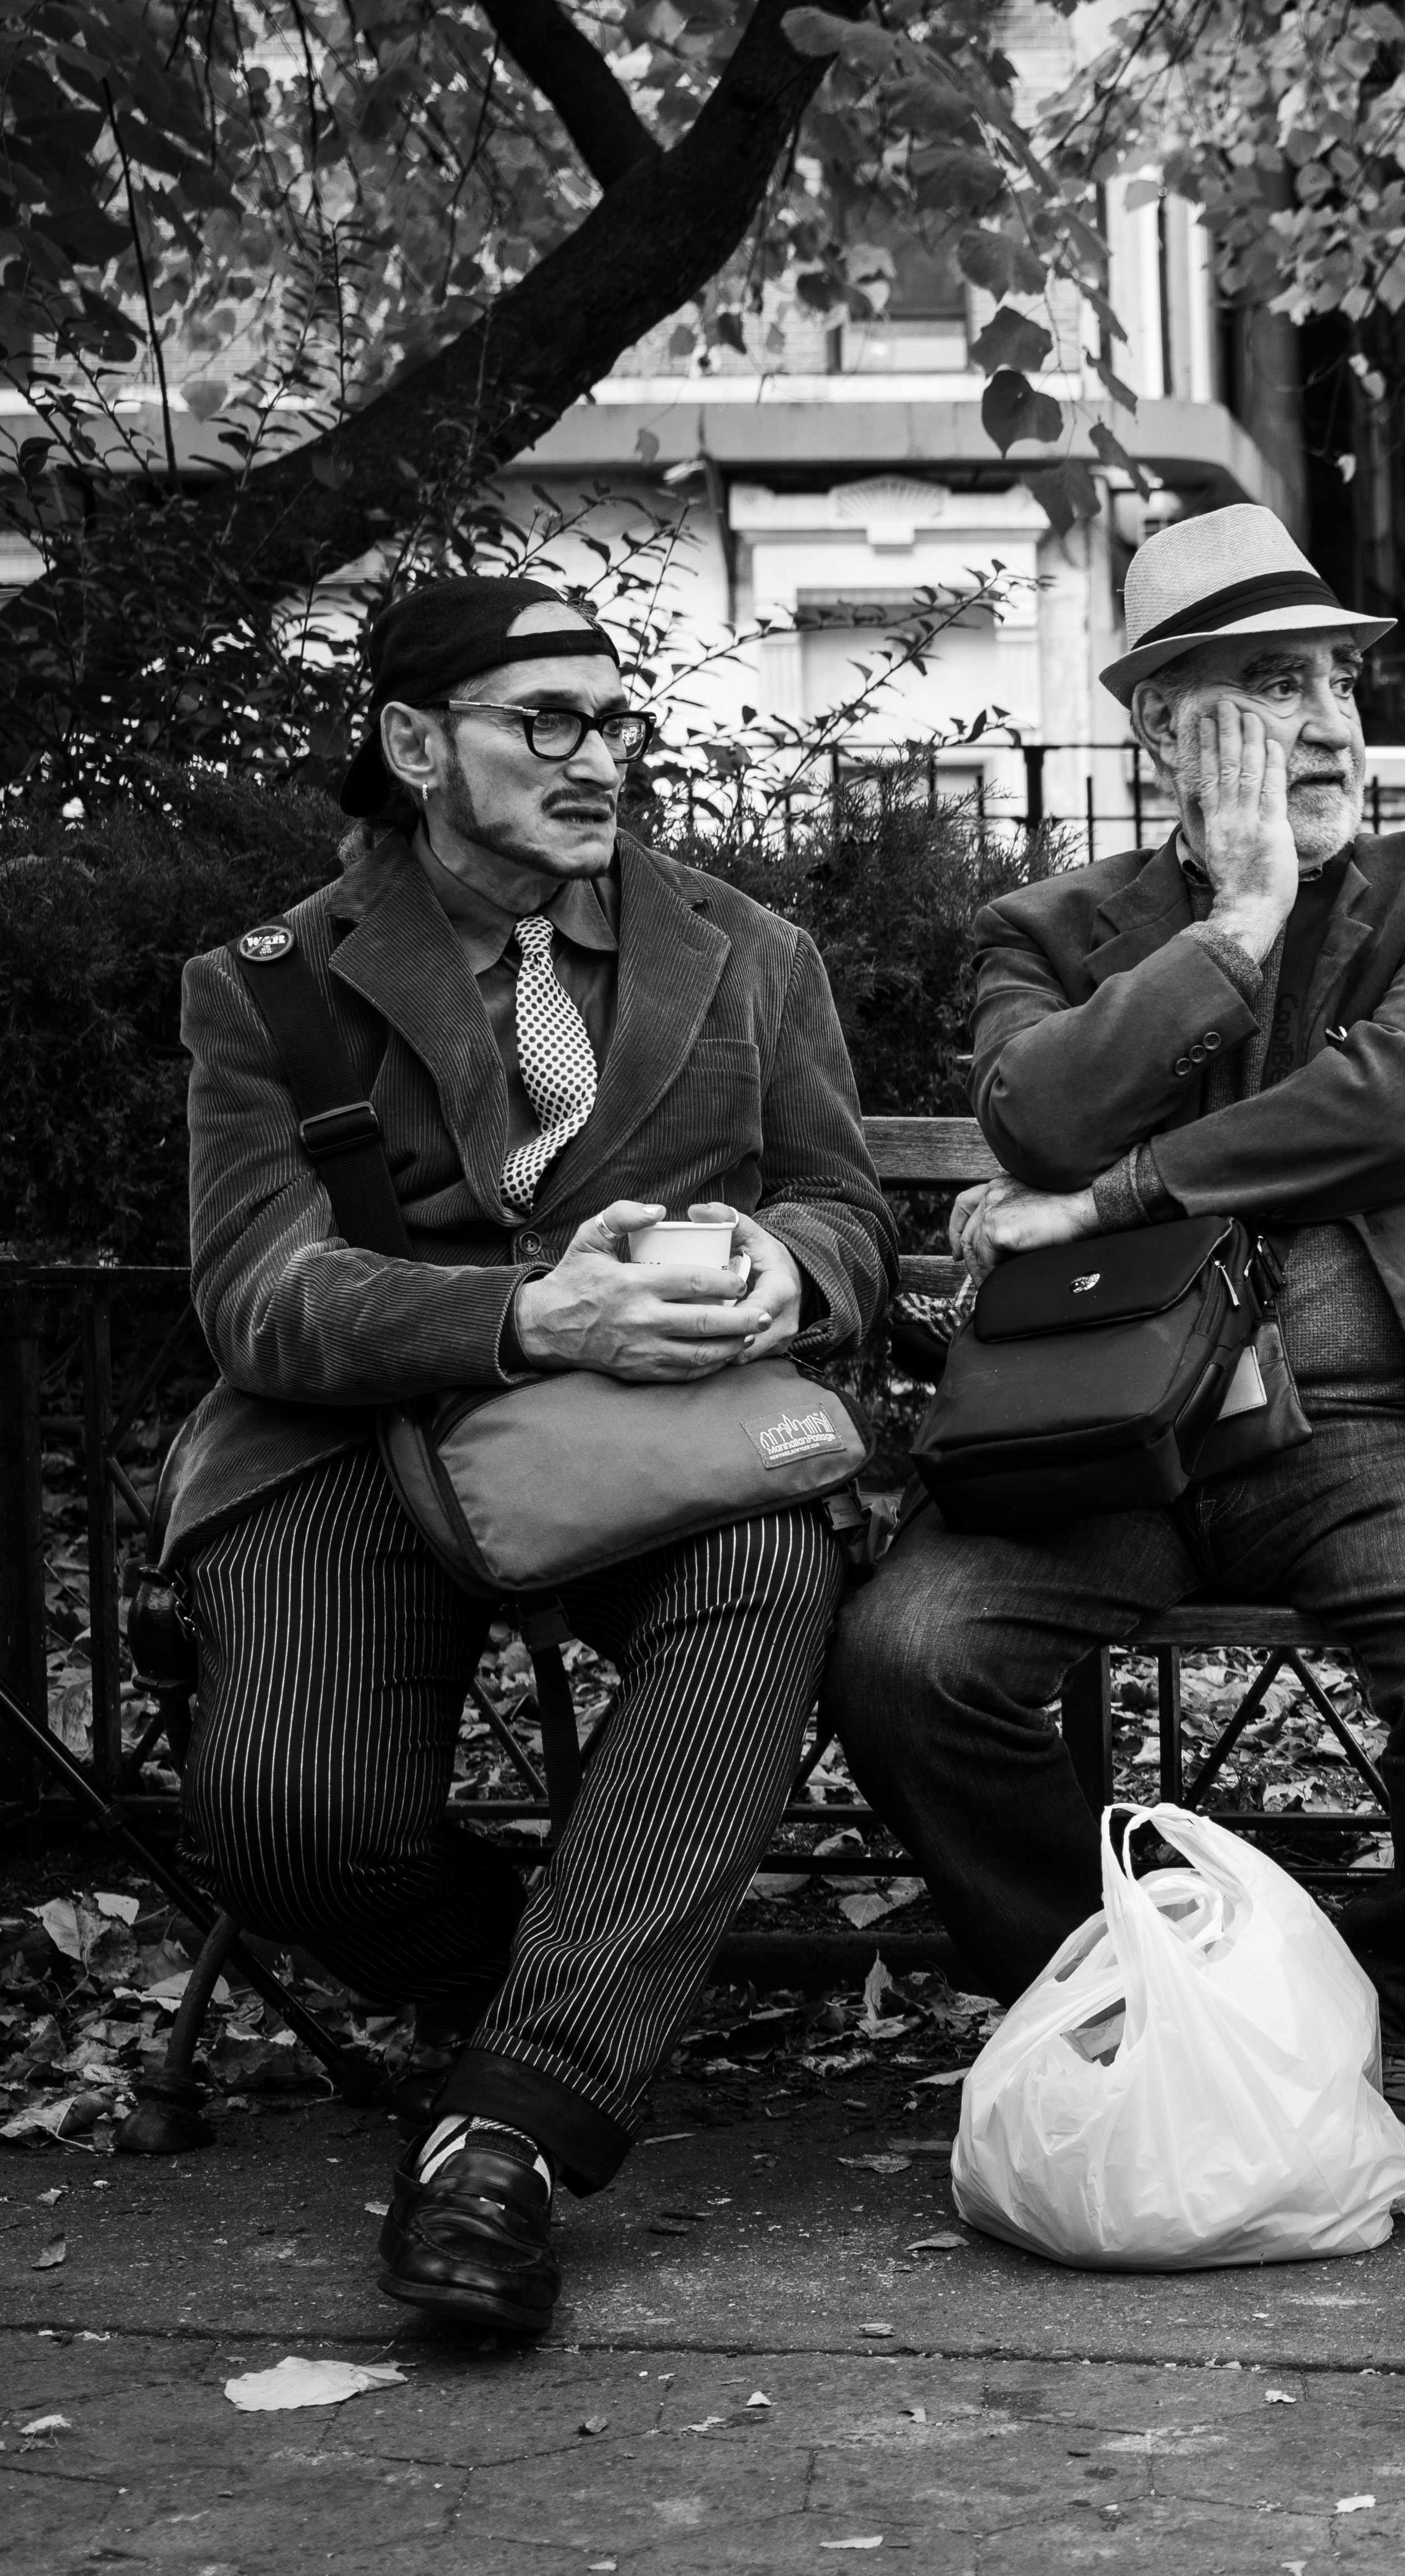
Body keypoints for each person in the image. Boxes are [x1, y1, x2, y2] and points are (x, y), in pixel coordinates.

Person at [162, 577, 894, 2335]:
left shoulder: (750, 951)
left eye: (616, 720)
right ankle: (551, 1971)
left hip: (659, 1430)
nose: (597, 757)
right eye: (543, 720)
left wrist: (782, 1270)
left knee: (768, 1555)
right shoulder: (265, 990)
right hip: (349, 1443)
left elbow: (846, 1210)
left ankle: (513, 2125)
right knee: (286, 1823)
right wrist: (526, 1316)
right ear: (418, 743)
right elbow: (259, 1292)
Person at [826, 505, 1405, 2181]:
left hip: (1384, 1423)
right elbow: (1035, 1103)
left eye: (1338, 682)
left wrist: (1113, 1196)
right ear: (1165, 727)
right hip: (1103, 1434)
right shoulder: (1055, 928)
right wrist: (1236, 924)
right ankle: (1117, 1992)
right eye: (1268, 686)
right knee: (908, 1659)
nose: (1327, 721)